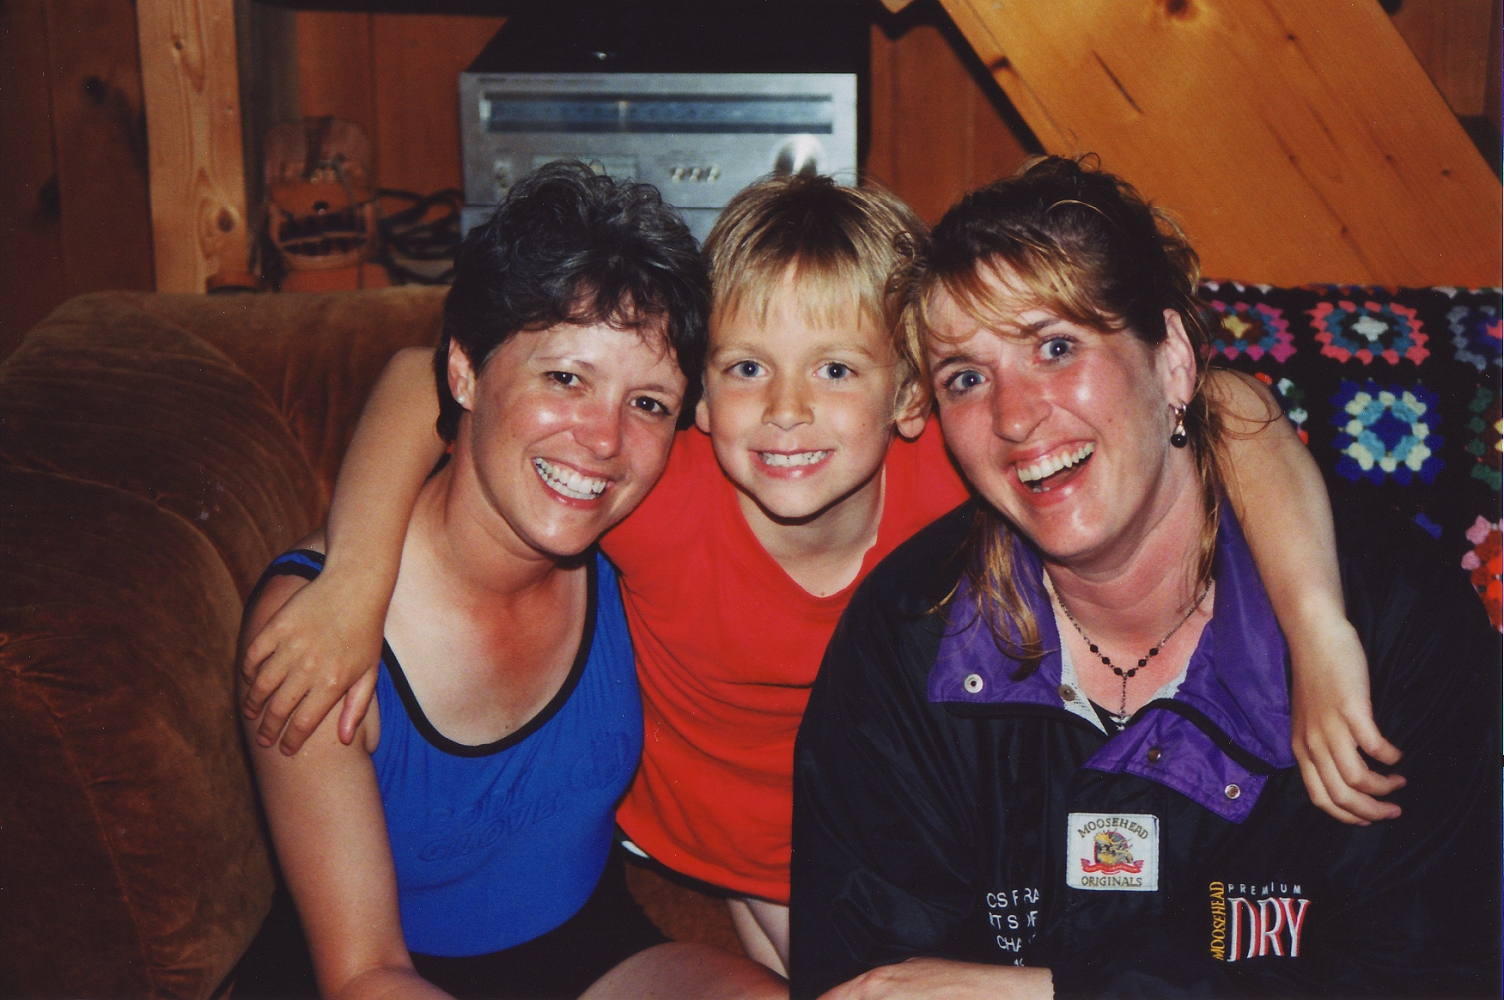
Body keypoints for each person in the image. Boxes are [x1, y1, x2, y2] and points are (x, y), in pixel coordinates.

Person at [238, 170, 1400, 981]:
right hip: (708, 854)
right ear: (703, 398)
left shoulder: (952, 465)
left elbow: (1225, 405)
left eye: (836, 369)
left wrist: (1318, 627)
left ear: (908, 398)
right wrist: (351, 579)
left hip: (887, 843)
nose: (788, 411)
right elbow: (426, 377)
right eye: (747, 368)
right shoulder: (652, 481)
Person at [789, 156, 1500, 998]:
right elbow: (865, 974)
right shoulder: (911, 632)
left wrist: (1055, 993)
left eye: (1056, 347)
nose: (1014, 416)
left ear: (1172, 365)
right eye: (967, 378)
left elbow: (1427, 977)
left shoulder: (1393, 627)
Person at [238, 162, 782, 1000]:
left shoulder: (635, 535)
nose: (603, 439)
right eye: (565, 378)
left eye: (647, 403)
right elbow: (364, 973)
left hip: (591, 951)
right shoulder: (318, 623)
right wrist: (352, 581)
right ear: (465, 373)